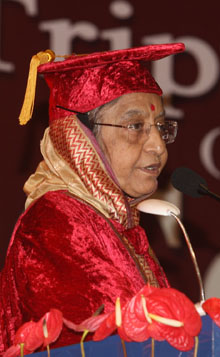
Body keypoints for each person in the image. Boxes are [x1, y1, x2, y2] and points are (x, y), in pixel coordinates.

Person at [0, 43, 185, 352]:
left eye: (160, 127)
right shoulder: (55, 225)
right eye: (136, 126)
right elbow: (88, 346)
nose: (158, 146)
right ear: (80, 138)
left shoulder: (112, 223)